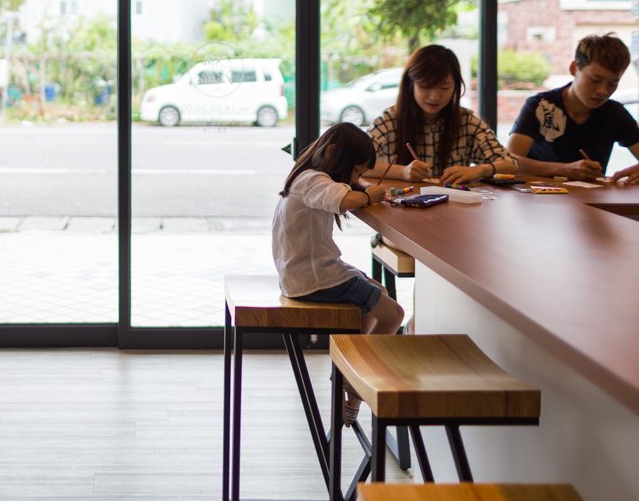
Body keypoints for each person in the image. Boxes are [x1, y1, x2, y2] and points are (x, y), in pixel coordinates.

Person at [272, 123, 405, 425]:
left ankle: (350, 374)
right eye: (355, 172)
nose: (356, 180)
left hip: (308, 273)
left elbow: (344, 192)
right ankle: (358, 376)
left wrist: (362, 188)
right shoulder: (312, 180)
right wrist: (370, 194)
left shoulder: (306, 177)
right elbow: (345, 199)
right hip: (313, 279)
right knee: (393, 314)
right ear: (333, 154)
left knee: (376, 292)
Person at [365, 44, 517, 184]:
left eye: (444, 87)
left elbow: (510, 164)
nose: (434, 96)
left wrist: (478, 170)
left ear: (456, 87)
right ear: (411, 84)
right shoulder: (389, 121)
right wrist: (402, 172)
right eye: (426, 86)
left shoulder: (467, 122)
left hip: (452, 210)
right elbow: (352, 163)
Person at [507, 34, 639, 184]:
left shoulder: (615, 114)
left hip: (590, 201)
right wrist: (563, 169)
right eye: (595, 80)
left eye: (612, 84)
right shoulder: (540, 105)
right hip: (538, 198)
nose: (603, 91)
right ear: (574, 68)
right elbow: (509, 161)